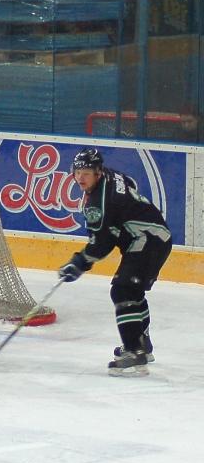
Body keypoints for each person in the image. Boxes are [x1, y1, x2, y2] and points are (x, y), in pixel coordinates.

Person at [58, 148, 172, 377]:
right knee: (132, 291)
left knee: (123, 290)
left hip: (147, 240)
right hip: (154, 236)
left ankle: (134, 352)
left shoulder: (99, 202)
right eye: (77, 172)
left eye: (86, 173)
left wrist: (79, 262)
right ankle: (141, 344)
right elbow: (129, 183)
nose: (80, 178)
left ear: (98, 172)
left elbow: (102, 244)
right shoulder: (111, 176)